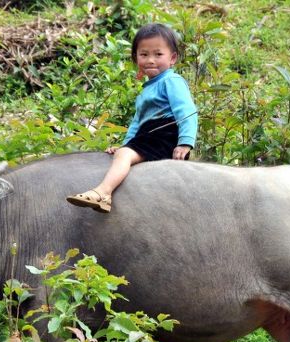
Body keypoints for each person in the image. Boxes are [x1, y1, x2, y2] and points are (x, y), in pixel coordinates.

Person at [66, 23, 198, 213]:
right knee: (124, 153)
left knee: (124, 155)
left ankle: (103, 192)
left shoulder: (172, 81)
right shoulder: (147, 90)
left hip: (165, 135)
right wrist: (126, 145)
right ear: (136, 58)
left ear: (173, 58)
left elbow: (186, 111)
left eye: (158, 54)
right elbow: (137, 124)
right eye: (144, 55)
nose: (150, 60)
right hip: (149, 136)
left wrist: (185, 142)